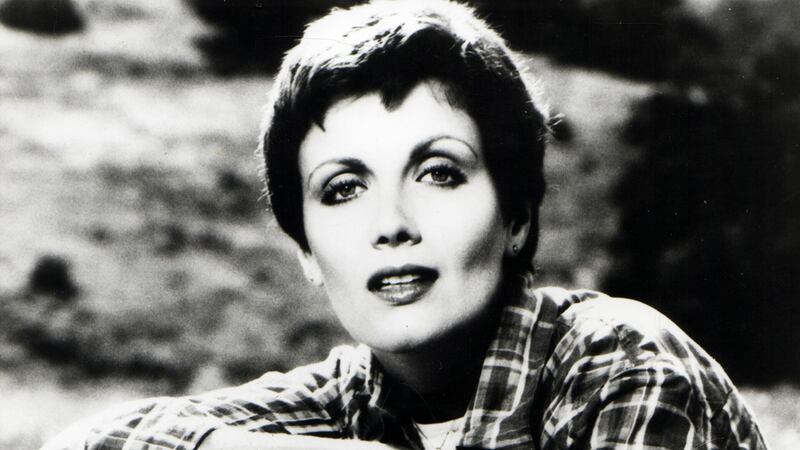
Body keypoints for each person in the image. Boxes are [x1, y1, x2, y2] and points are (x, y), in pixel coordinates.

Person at [45, 1, 767, 449]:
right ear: (306, 250)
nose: (390, 225)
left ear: (516, 216)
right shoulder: (351, 398)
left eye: (438, 173)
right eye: (343, 189)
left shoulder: (621, 364)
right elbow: (95, 443)